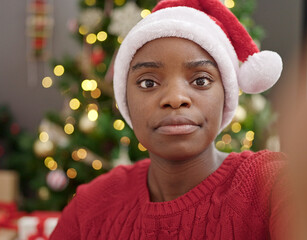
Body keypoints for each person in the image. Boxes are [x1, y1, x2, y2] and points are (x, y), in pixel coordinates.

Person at [50, 0, 288, 239]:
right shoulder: (90, 206)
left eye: (201, 81)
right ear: (125, 101)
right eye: (148, 83)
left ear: (226, 94)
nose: (175, 99)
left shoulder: (273, 184)